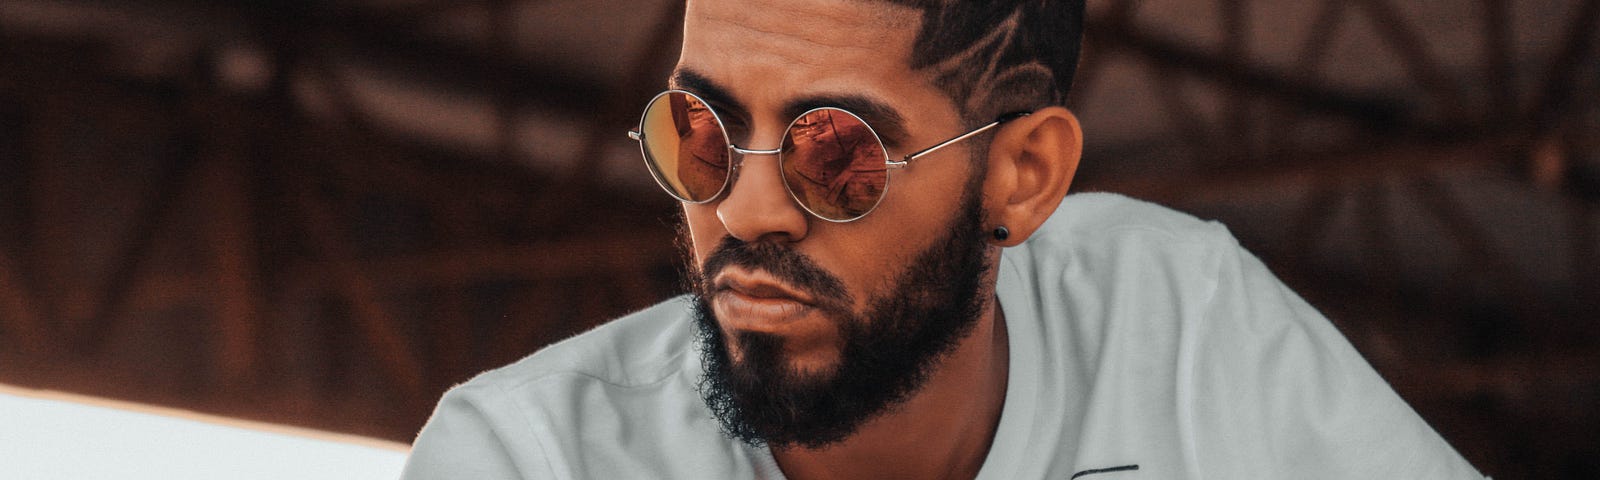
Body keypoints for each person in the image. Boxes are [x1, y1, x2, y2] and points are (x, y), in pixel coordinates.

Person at [401, 0, 1488, 478]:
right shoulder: (529, 459)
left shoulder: (1187, 321)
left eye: (837, 153)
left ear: (1023, 176)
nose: (743, 212)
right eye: (701, 134)